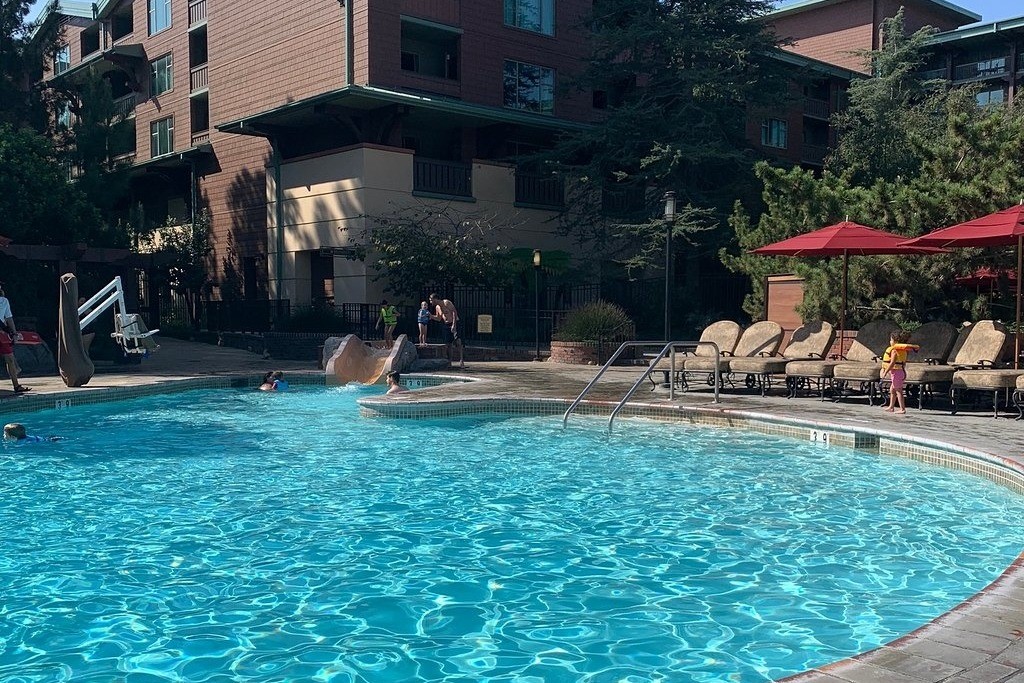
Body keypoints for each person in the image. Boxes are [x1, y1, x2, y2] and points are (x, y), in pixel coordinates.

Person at [0, 282, 30, 394]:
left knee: (10, 359)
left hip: (2, 334)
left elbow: (9, 318)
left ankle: (16, 385)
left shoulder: (4, 301)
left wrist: (14, 333)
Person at [881, 330, 920, 414]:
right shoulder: (903, 350)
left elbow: (892, 363)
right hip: (899, 372)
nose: (890, 342)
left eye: (891, 340)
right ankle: (891, 407)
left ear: (896, 341)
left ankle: (902, 409)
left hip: (897, 373)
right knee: (892, 389)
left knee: (898, 390)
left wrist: (885, 371)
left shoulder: (894, 350)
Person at [429, 293, 464, 369]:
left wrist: (454, 325)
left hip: (455, 323)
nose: (431, 302)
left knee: (458, 341)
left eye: (431, 300)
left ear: (435, 299)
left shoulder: (446, 303)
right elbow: (438, 318)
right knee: (448, 344)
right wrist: (431, 316)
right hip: (446, 325)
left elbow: (454, 312)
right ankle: (449, 361)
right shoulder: (437, 307)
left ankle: (461, 360)